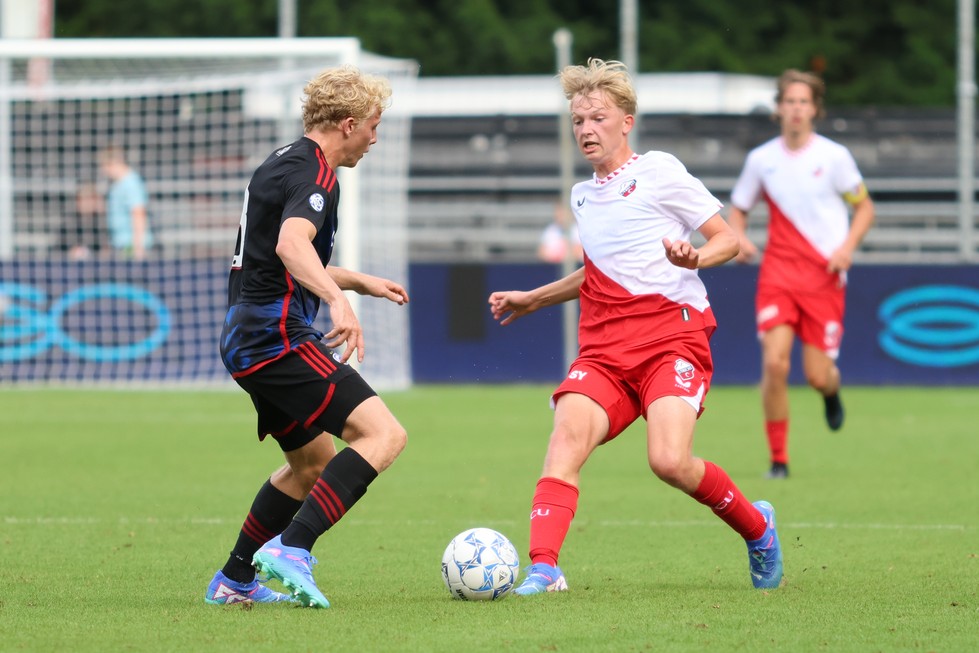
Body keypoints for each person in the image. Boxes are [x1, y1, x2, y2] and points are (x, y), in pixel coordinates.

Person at [487, 58, 783, 595]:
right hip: (603, 350)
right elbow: (601, 268)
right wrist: (536, 298)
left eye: (597, 117)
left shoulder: (660, 171)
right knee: (564, 444)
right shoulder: (582, 195)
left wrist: (694, 259)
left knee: (669, 461)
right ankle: (544, 567)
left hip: (672, 338)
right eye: (577, 120)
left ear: (626, 121)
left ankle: (759, 529)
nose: (585, 130)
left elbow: (728, 239)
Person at [204, 65, 410, 608]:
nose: (374, 137)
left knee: (312, 464)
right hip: (275, 337)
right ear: (347, 123)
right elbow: (293, 249)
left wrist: (353, 280)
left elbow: (279, 258)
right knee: (384, 436)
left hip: (248, 334)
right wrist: (339, 302)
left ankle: (233, 580)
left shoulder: (284, 161)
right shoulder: (316, 174)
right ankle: (293, 548)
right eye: (372, 125)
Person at [726, 69, 875, 480]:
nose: (795, 109)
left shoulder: (834, 157)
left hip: (824, 276)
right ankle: (778, 460)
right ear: (778, 109)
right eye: (789, 101)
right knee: (774, 364)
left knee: (816, 375)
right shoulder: (761, 160)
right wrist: (739, 236)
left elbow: (864, 208)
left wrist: (846, 249)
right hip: (778, 273)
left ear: (815, 109)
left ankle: (830, 389)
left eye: (803, 102)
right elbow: (738, 208)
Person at [99, 145, 153, 259]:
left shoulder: (131, 184)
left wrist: (138, 247)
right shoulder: (116, 185)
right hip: (120, 244)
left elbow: (138, 213)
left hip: (131, 246)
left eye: (104, 166)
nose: (103, 171)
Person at [56, 182, 106, 260]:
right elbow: (59, 249)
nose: (87, 203)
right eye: (84, 199)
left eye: (91, 199)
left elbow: (105, 248)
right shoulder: (71, 222)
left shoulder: (101, 221)